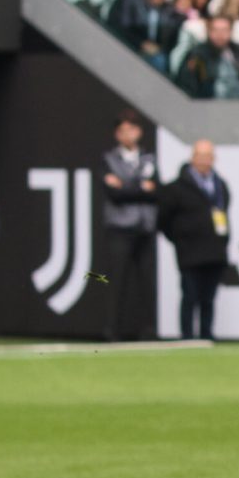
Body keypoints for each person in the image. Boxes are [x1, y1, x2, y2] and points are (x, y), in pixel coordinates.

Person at [159, 138, 231, 340]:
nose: (204, 160)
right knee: (190, 296)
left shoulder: (220, 185)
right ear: (192, 158)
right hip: (189, 252)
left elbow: (224, 217)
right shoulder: (176, 188)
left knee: (208, 298)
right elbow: (163, 220)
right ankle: (187, 336)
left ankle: (207, 335)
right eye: (200, 155)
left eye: (208, 156)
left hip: (215, 251)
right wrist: (180, 239)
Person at [97, 112, 160, 340]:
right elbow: (114, 194)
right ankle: (112, 330)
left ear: (139, 132)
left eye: (132, 129)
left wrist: (126, 186)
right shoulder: (109, 159)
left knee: (147, 282)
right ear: (117, 134)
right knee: (116, 281)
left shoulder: (149, 159)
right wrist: (141, 188)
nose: (128, 134)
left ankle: (149, 331)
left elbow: (156, 191)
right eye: (123, 130)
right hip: (119, 228)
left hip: (145, 227)